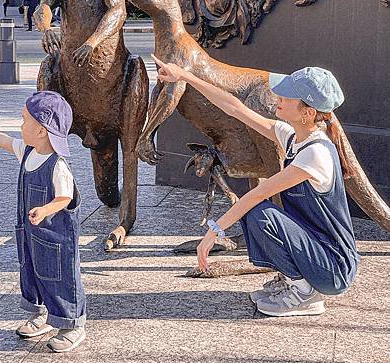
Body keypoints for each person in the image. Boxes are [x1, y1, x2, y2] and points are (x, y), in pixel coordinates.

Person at [152, 55, 360, 318]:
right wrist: (185, 76)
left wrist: (213, 232)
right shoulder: (293, 138)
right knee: (256, 211)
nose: (278, 99)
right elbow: (235, 109)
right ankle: (293, 280)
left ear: (308, 113)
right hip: (317, 254)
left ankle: (305, 293)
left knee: (259, 210)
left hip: (332, 267)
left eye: (287, 98)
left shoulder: (315, 154)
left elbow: (258, 193)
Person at [0, 91, 87, 352]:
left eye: (23, 120)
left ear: (41, 130)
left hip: (56, 238)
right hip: (30, 233)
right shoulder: (28, 152)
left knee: (60, 277)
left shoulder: (57, 164)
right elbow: (3, 140)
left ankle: (72, 325)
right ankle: (42, 314)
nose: (19, 126)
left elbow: (66, 196)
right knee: (31, 270)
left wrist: (45, 209)